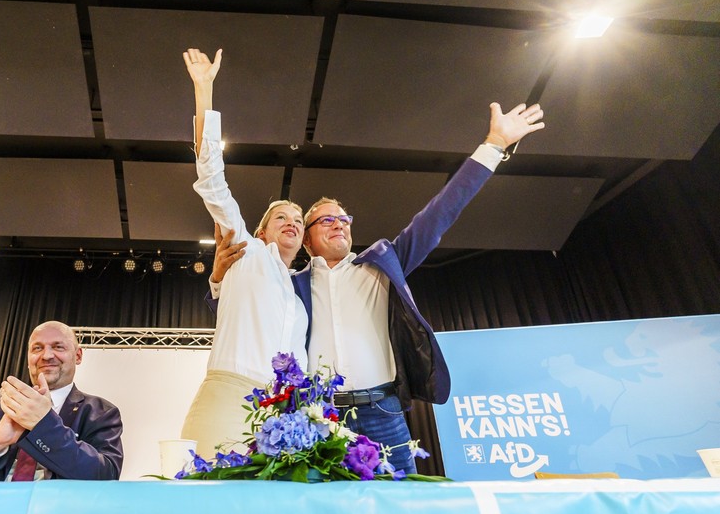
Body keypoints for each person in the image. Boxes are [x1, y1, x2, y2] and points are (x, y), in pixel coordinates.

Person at [211, 100, 546, 473]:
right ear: (306, 241)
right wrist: (217, 281)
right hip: (321, 418)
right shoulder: (291, 286)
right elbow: (241, 315)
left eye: (344, 219)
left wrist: (494, 145)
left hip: (384, 412)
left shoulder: (382, 265)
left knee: (402, 510)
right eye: (326, 221)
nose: (339, 225)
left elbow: (439, 213)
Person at [180, 47, 309, 459]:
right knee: (208, 504)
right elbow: (212, 179)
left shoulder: (299, 292)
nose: (292, 221)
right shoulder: (245, 250)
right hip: (231, 395)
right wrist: (204, 92)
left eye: (299, 219)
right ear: (261, 230)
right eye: (282, 216)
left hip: (288, 410)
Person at [0, 320, 123, 481]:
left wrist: (44, 424)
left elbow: (106, 475)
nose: (46, 356)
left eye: (58, 347)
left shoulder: (101, 411)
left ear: (77, 356)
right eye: (37, 348)